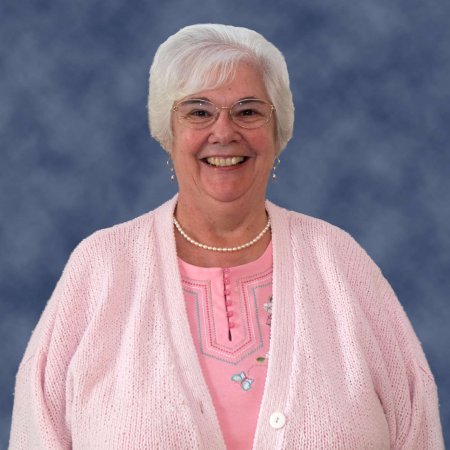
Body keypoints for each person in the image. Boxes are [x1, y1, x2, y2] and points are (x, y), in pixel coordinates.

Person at [10, 24, 444, 450]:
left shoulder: (339, 261)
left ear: (277, 132)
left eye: (248, 111)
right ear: (168, 132)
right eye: (198, 112)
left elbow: (416, 425)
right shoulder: (101, 267)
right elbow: (37, 432)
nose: (223, 132)